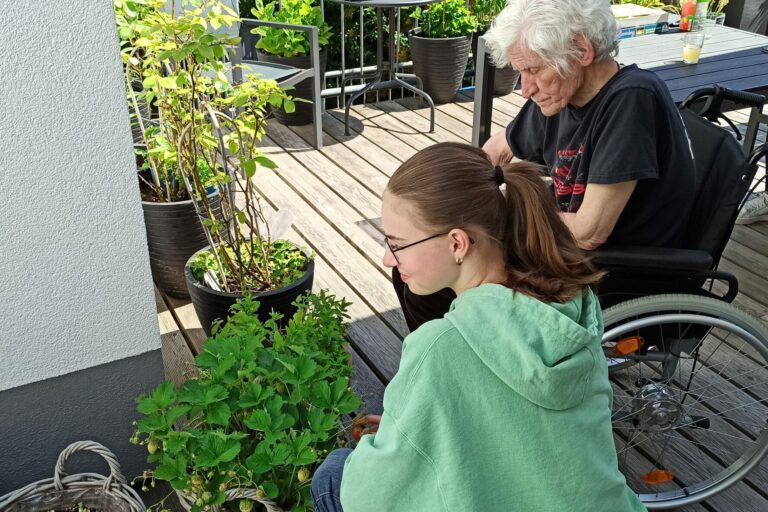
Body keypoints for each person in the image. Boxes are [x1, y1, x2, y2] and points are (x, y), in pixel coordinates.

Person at [311, 142, 647, 512]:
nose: (387, 257)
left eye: (397, 243)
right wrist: (410, 419)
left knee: (333, 474)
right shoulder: (573, 305)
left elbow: (368, 497)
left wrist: (400, 430)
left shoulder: (440, 347)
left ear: (458, 242)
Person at [393, 0, 697, 331]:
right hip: (564, 252)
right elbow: (494, 150)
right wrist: (449, 208)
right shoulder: (562, 95)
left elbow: (589, 232)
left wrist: (502, 221)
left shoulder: (631, 98)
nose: (525, 89)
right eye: (521, 72)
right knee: (421, 263)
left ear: (581, 51)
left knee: (435, 275)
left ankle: (462, 364)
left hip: (612, 271)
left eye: (535, 70)